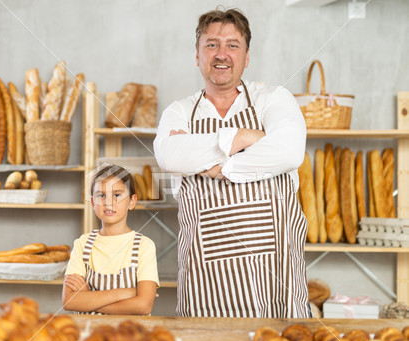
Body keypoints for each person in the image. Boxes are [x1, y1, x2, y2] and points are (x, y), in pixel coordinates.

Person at [153, 8, 310, 318]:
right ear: (197, 56)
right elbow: (169, 155)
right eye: (211, 44)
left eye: (232, 45)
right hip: (204, 282)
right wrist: (243, 138)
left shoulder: (273, 99)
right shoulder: (180, 111)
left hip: (273, 278)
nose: (221, 54)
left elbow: (290, 151)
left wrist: (221, 168)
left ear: (247, 56)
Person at [62, 163, 159, 315]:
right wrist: (126, 293)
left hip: (131, 335)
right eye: (101, 195)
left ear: (132, 201)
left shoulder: (144, 246)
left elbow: (143, 306)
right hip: (90, 334)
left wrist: (88, 300)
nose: (108, 202)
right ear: (93, 202)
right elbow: (69, 301)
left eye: (117, 195)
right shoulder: (82, 244)